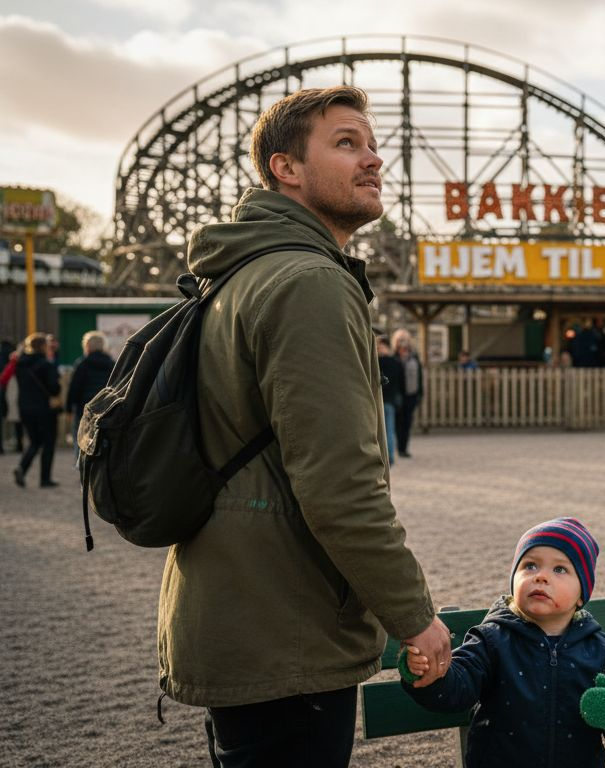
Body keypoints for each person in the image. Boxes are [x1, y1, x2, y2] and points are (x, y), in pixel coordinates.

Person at [159, 86, 452, 768]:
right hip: (285, 625)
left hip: (234, 607)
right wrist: (413, 616)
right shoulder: (308, 282)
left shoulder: (239, 272)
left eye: (372, 144)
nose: (373, 159)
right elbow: (340, 487)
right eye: (347, 143)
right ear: (285, 167)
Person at [401, 518, 605, 767]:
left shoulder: (604, 650)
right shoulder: (492, 640)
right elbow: (456, 690)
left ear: (581, 595)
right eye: (530, 566)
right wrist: (427, 670)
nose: (541, 576)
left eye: (560, 569)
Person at [12, 333, 61, 488]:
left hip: (25, 408)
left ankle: (22, 468)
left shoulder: (20, 365)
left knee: (34, 441)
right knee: (48, 443)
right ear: (43, 346)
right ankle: (45, 479)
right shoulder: (46, 365)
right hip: (44, 409)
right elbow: (54, 389)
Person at [66, 331, 115, 444]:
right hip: (105, 409)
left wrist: (69, 409)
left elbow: (74, 388)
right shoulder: (111, 364)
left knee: (81, 442)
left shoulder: (82, 364)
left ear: (87, 346)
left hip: (84, 409)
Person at [392, 329, 422, 459]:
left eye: (405, 339)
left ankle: (404, 448)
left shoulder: (414, 356)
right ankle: (398, 447)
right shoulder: (393, 356)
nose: (403, 342)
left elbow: (420, 376)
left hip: (411, 394)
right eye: (400, 340)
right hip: (398, 395)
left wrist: (420, 393)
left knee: (407, 422)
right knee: (397, 422)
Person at [377, 335, 403, 466]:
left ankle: (387, 456)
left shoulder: (378, 361)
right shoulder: (396, 362)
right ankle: (390, 456)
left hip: (383, 400)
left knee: (385, 430)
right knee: (389, 430)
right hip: (389, 399)